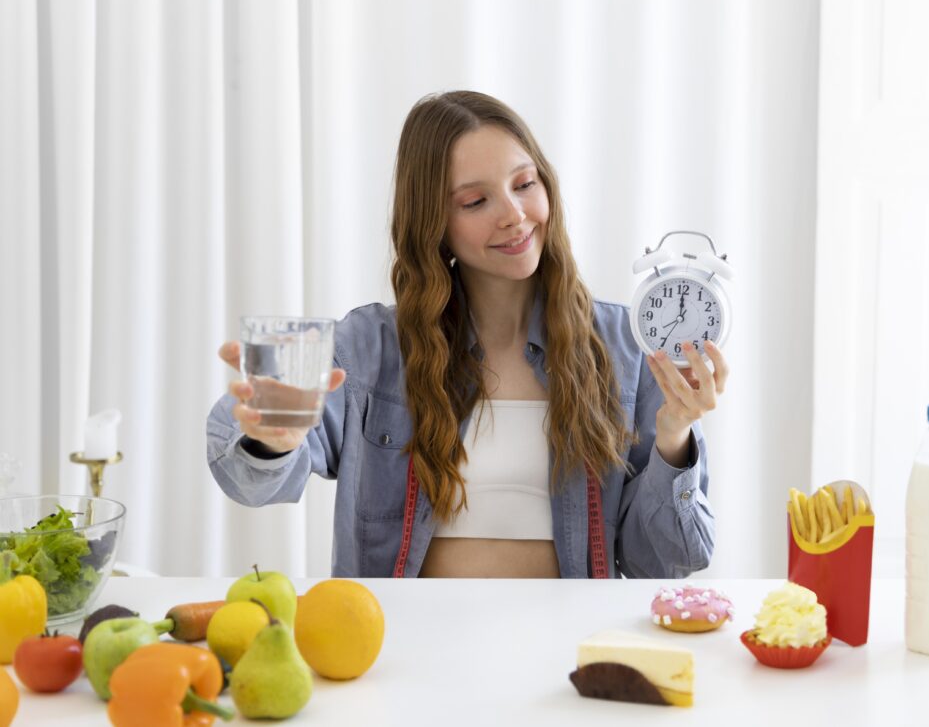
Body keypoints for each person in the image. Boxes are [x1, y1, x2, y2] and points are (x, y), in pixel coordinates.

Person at [207, 90, 728, 578]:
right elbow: (248, 481)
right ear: (434, 223)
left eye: (524, 184)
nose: (514, 215)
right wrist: (271, 439)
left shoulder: (625, 349)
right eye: (475, 202)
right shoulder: (372, 348)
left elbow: (667, 562)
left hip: (566, 647)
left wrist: (674, 435)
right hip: (400, 647)